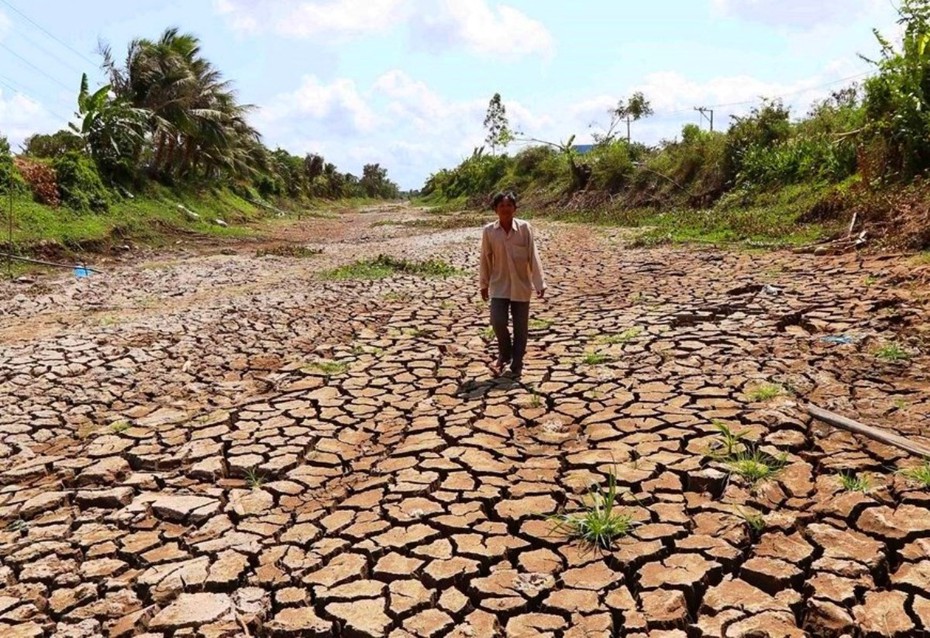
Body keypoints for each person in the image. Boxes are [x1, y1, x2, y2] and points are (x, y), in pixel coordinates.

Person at [479, 191, 546, 378]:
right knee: (497, 321)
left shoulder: (525, 228)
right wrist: (483, 284)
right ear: (495, 210)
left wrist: (539, 282)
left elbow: (533, 255)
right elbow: (485, 258)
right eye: (501, 206)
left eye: (509, 206)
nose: (505, 209)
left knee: (520, 327)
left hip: (521, 284)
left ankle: (517, 362)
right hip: (499, 284)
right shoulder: (489, 231)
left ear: (515, 209)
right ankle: (504, 353)